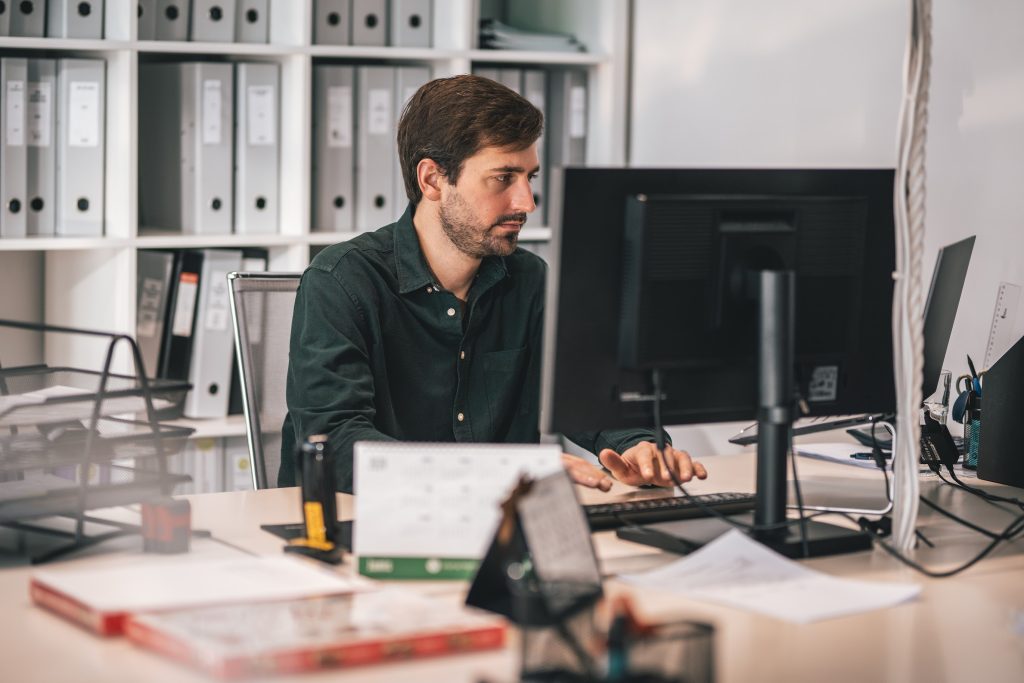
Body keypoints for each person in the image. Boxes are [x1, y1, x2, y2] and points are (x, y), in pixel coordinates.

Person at [281, 74, 707, 493]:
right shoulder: (341, 282)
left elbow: (589, 397)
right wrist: (491, 471)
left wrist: (639, 446)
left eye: (529, 177)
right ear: (432, 180)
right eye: (503, 178)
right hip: (362, 526)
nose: (527, 202)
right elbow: (332, 443)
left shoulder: (529, 280)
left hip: (496, 528)